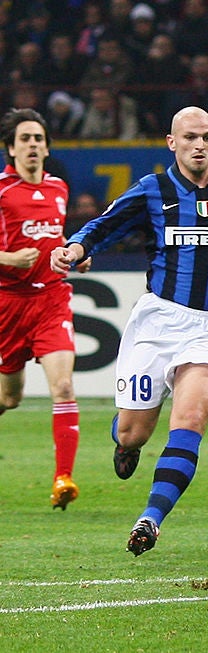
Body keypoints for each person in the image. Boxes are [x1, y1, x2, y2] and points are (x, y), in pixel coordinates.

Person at [50, 106, 208, 556]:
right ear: (171, 142)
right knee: (134, 432)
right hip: (159, 322)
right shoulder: (154, 190)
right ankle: (126, 442)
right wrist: (75, 247)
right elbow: (105, 225)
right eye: (190, 137)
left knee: (189, 420)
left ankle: (150, 519)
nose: (200, 146)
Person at [0, 108, 89, 510]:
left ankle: (63, 478)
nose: (33, 145)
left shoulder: (58, 188)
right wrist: (7, 258)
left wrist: (74, 254)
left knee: (64, 387)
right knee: (9, 399)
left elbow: (57, 236)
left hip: (51, 298)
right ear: (11, 148)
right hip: (9, 305)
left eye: (39, 138)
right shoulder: (1, 190)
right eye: (25, 139)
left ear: (47, 146)